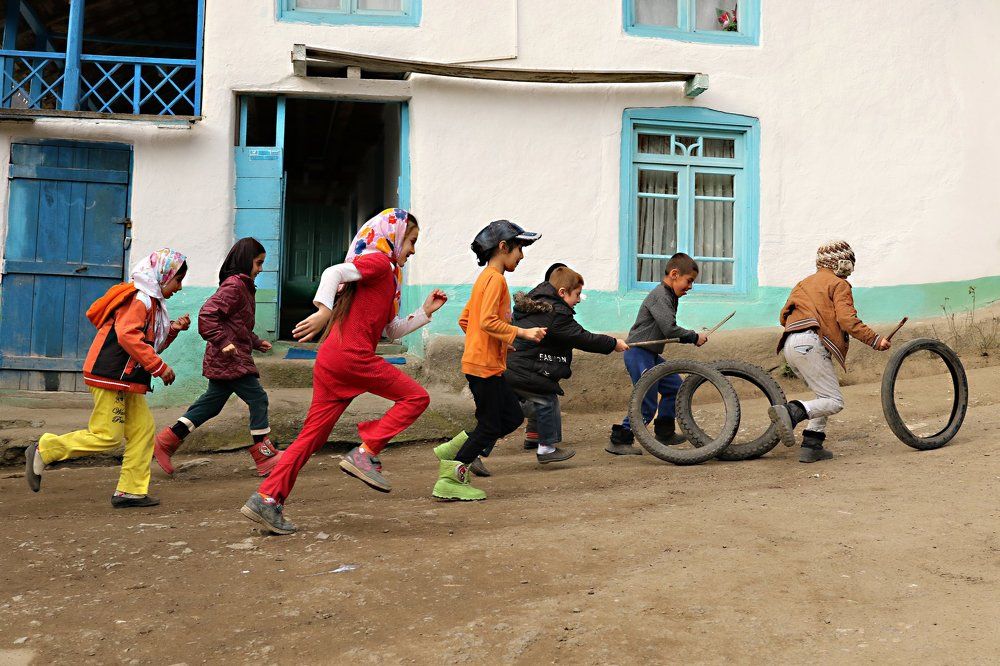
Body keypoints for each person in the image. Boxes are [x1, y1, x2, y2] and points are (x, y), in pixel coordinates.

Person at [240, 208, 447, 535]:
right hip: (352, 358)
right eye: (411, 241)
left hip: (333, 360)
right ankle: (365, 453)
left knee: (311, 438)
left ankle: (267, 499)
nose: (413, 249)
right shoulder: (380, 263)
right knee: (416, 397)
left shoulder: (387, 279)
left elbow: (389, 331)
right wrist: (323, 311)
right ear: (394, 236)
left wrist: (423, 312)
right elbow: (332, 272)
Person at [25, 249, 190, 508]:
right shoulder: (140, 299)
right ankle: (45, 450)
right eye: (177, 280)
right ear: (163, 275)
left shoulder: (151, 302)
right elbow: (127, 335)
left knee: (143, 430)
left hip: (126, 379)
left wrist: (172, 332)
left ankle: (131, 491)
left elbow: (148, 344)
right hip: (110, 376)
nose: (179, 288)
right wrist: (159, 367)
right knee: (107, 435)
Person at [430, 219, 545, 501]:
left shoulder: (485, 279)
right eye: (519, 248)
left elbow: (467, 320)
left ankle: (455, 448)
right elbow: (487, 320)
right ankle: (452, 477)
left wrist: (497, 341)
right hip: (483, 367)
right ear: (503, 247)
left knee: (512, 416)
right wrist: (521, 333)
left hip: (484, 363)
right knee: (491, 425)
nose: (522, 256)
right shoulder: (495, 280)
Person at [154, 237, 279, 477]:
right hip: (229, 358)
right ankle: (264, 455)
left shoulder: (242, 286)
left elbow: (237, 324)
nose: (260, 269)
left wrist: (254, 341)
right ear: (245, 261)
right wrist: (224, 343)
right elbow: (207, 316)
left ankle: (167, 441)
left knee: (211, 405)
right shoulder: (235, 286)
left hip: (230, 356)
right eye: (258, 263)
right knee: (258, 398)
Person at [769, 240, 891, 462]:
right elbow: (846, 319)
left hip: (790, 344)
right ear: (841, 263)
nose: (851, 270)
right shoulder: (839, 284)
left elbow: (783, 316)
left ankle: (812, 444)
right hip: (811, 343)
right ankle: (792, 412)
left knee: (822, 396)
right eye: (850, 264)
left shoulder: (803, 283)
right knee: (834, 401)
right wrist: (875, 340)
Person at [504, 265, 629, 463]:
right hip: (527, 368)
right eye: (577, 294)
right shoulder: (556, 314)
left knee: (522, 405)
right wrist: (613, 343)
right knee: (546, 400)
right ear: (562, 292)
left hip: (515, 365)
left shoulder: (535, 306)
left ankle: (533, 437)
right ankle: (546, 449)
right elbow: (582, 338)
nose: (579, 299)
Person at [607, 252, 707, 456]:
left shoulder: (669, 295)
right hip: (638, 353)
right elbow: (669, 329)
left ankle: (664, 432)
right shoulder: (661, 295)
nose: (690, 286)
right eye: (689, 281)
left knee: (676, 388)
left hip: (650, 355)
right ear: (674, 274)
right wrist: (694, 337)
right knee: (647, 400)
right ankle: (620, 439)